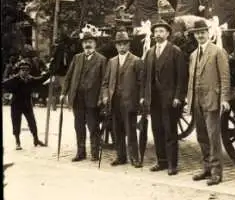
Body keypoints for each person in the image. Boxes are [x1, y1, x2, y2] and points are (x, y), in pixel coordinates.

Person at [187, 20, 230, 186]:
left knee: (213, 137)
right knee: (201, 136)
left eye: (202, 32)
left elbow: (225, 77)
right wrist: (189, 100)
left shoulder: (217, 52)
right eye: (196, 33)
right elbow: (191, 79)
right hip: (197, 101)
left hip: (212, 99)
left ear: (208, 33)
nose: (199, 35)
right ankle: (206, 168)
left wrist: (224, 98)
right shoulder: (192, 55)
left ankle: (216, 173)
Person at [143, 20, 188, 175]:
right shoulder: (149, 52)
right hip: (154, 99)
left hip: (170, 99)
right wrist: (145, 96)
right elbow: (146, 77)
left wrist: (178, 97)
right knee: (157, 130)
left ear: (168, 34)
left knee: (170, 132)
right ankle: (161, 161)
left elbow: (182, 77)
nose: (158, 35)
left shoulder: (175, 51)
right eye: (156, 32)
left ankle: (172, 164)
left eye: (161, 31)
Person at [60, 31, 107, 162]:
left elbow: (105, 81)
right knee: (79, 126)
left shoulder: (102, 60)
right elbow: (68, 77)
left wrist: (102, 98)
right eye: (86, 42)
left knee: (93, 126)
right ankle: (81, 153)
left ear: (95, 44)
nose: (88, 44)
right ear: (82, 44)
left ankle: (94, 152)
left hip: (92, 99)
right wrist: (64, 92)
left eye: (90, 42)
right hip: (77, 98)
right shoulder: (77, 58)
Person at [101, 31, 144, 168]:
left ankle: (134, 158)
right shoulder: (112, 62)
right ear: (116, 46)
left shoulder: (136, 61)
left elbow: (141, 83)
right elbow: (105, 83)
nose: (122, 47)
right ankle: (121, 157)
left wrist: (139, 100)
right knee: (117, 130)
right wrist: (105, 95)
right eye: (119, 44)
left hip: (129, 101)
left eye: (124, 44)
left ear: (128, 45)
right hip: (114, 102)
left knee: (130, 130)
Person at [2, 59, 49, 150]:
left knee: (32, 123)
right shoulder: (14, 79)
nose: (25, 72)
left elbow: (41, 79)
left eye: (27, 70)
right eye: (23, 70)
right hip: (16, 105)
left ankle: (36, 140)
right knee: (16, 123)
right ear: (19, 71)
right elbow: (3, 84)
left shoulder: (31, 79)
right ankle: (17, 142)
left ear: (29, 71)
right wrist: (6, 94)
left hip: (27, 104)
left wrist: (50, 72)